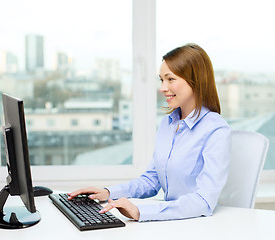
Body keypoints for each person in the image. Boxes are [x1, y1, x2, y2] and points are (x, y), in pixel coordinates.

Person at [68, 43, 232, 222]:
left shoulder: (216, 130)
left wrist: (141, 212)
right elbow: (152, 181)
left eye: (170, 79)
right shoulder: (167, 124)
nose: (163, 88)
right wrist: (108, 193)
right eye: (161, 80)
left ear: (195, 81)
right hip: (169, 221)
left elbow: (203, 201)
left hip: (198, 223)